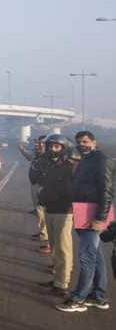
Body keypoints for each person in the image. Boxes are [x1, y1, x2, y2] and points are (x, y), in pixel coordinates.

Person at [57, 131, 116, 312]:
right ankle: (98, 296)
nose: (82, 145)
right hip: (83, 210)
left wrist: (100, 218)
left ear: (94, 142)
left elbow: (106, 191)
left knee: (87, 257)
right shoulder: (86, 160)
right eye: (79, 142)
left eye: (85, 141)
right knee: (95, 255)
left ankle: (79, 298)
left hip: (93, 212)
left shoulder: (100, 160)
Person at [36, 134, 74, 297]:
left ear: (64, 148)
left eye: (57, 146)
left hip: (63, 211)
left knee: (63, 248)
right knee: (54, 247)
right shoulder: (52, 166)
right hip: (50, 209)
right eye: (51, 146)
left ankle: (63, 283)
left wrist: (54, 195)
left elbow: (71, 190)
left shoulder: (70, 167)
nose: (52, 149)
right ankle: (57, 278)